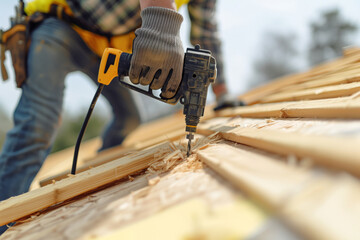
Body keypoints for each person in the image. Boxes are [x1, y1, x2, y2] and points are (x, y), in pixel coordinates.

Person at [0, 0, 237, 234]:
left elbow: (207, 35)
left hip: (108, 46)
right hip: (62, 25)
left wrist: (222, 93)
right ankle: (3, 221)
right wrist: (161, 21)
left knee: (130, 118)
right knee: (37, 125)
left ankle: (96, 176)